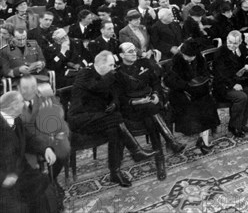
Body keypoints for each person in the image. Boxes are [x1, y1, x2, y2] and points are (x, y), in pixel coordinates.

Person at [68, 51, 156, 187]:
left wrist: (114, 103)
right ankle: (135, 150)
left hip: (100, 118)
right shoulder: (85, 73)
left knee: (115, 129)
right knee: (116, 118)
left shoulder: (108, 75)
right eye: (110, 65)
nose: (113, 68)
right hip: (80, 118)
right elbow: (95, 87)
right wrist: (111, 75)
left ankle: (115, 173)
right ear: (101, 65)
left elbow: (115, 94)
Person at [115, 43, 185, 181]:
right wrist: (135, 102)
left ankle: (161, 160)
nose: (134, 53)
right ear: (122, 55)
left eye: (134, 51)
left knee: (150, 115)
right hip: (133, 107)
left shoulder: (144, 63)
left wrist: (156, 94)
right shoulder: (119, 73)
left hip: (150, 102)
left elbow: (155, 82)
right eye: (130, 52)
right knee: (152, 111)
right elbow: (120, 97)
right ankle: (170, 143)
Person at [0, 91, 59, 212]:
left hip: (22, 171)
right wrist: (3, 178)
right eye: (22, 101)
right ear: (13, 106)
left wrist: (45, 149)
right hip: (4, 181)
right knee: (19, 208)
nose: (25, 103)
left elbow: (29, 139)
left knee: (46, 190)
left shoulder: (16, 120)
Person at [164, 39, 220, 152]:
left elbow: (205, 73)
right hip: (181, 93)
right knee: (197, 108)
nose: (190, 58)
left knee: (208, 104)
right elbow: (170, 82)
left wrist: (199, 83)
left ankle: (203, 140)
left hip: (198, 90)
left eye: (192, 56)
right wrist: (188, 85)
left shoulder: (199, 57)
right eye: (187, 56)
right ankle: (202, 140)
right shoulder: (175, 61)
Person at [213, 30, 248, 138]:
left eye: (235, 43)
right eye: (230, 42)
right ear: (227, 39)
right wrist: (233, 84)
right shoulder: (220, 52)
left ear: (240, 42)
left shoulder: (242, 48)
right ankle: (234, 126)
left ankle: (242, 124)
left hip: (240, 82)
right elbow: (220, 74)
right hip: (224, 86)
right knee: (241, 97)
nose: (232, 45)